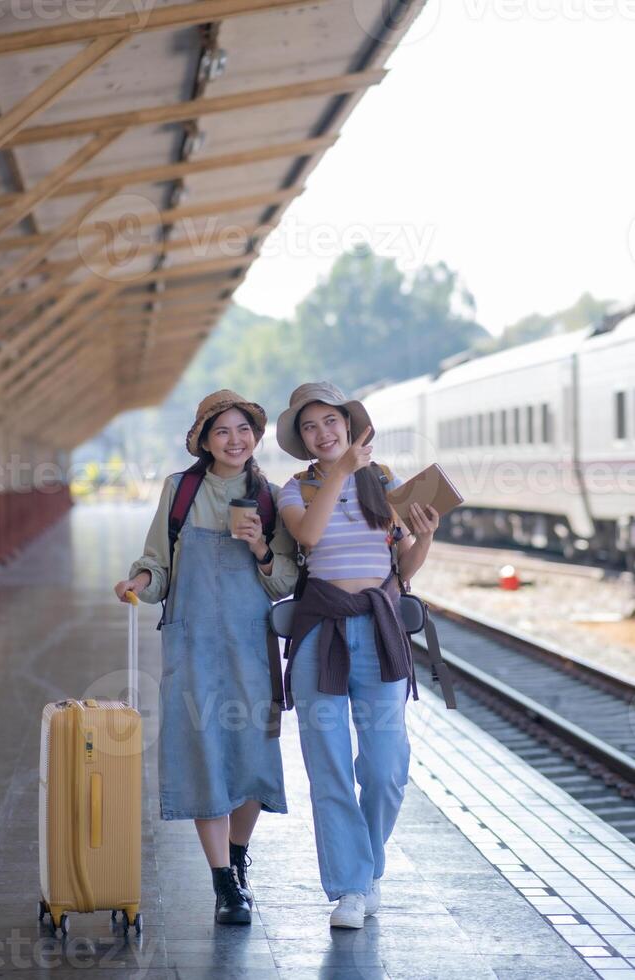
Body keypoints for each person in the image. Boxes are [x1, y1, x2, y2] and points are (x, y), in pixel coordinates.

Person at [114, 390, 297, 925]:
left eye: (243, 430)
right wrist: (140, 582)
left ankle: (239, 858)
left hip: (251, 646)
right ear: (203, 440)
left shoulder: (273, 497)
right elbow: (157, 562)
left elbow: (286, 580)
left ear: (256, 437)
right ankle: (223, 884)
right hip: (192, 646)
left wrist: (261, 547)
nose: (234, 440)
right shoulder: (180, 489)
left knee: (252, 755)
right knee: (203, 753)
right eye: (222, 432)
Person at [276, 382, 439, 930]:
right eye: (310, 426)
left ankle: (366, 869)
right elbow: (311, 535)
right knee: (328, 767)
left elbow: (406, 568)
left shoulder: (385, 482)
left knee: (386, 767)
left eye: (331, 422)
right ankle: (349, 886)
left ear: (350, 425)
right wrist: (341, 471)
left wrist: (424, 538)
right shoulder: (294, 490)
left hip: (379, 627)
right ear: (301, 439)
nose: (323, 433)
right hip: (320, 631)